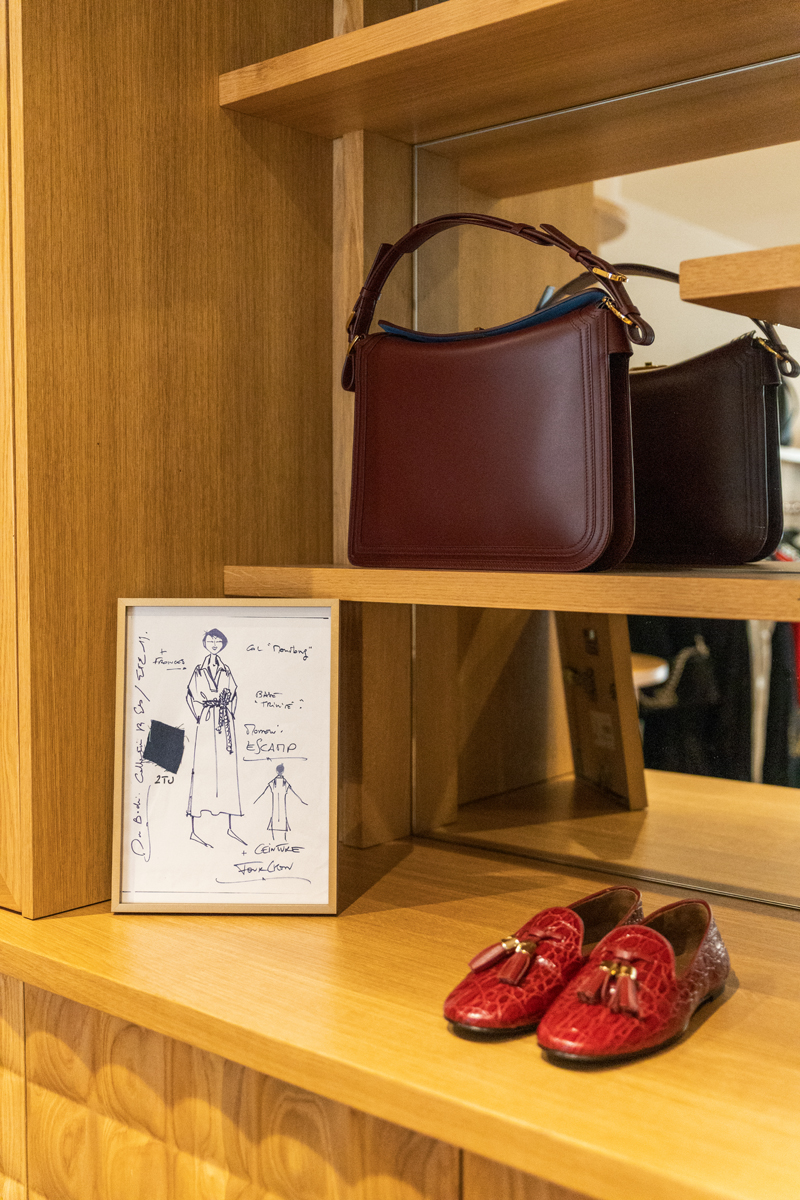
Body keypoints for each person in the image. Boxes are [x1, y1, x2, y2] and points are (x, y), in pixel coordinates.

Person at [186, 629, 245, 847]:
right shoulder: (198, 670)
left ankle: (228, 827)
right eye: (210, 640)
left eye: (218, 641)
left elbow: (234, 695)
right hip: (207, 719)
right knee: (204, 767)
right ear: (204, 642)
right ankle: (196, 829)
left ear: (223, 644)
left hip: (224, 720)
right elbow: (190, 696)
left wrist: (230, 714)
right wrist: (199, 715)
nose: (214, 643)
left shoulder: (226, 670)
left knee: (226, 770)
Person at [254, 763, 307, 841]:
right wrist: (301, 800)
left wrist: (256, 801)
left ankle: (275, 839)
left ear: (276, 771)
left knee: (276, 820)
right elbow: (294, 792)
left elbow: (263, 793)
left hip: (276, 807)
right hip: (281, 807)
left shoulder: (273, 782)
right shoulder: (284, 782)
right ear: (283, 771)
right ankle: (283, 839)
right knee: (282, 821)